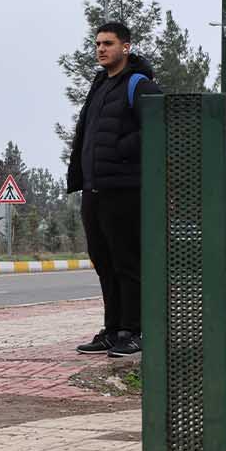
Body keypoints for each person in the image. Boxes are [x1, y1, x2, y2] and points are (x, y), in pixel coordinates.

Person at [67, 21, 162, 357]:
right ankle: (112, 329)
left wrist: (121, 149)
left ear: (126, 47)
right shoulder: (100, 85)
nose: (101, 49)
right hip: (95, 190)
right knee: (103, 262)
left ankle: (136, 331)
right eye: (97, 44)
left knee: (127, 262)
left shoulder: (139, 84)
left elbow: (159, 125)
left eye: (108, 43)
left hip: (126, 189)